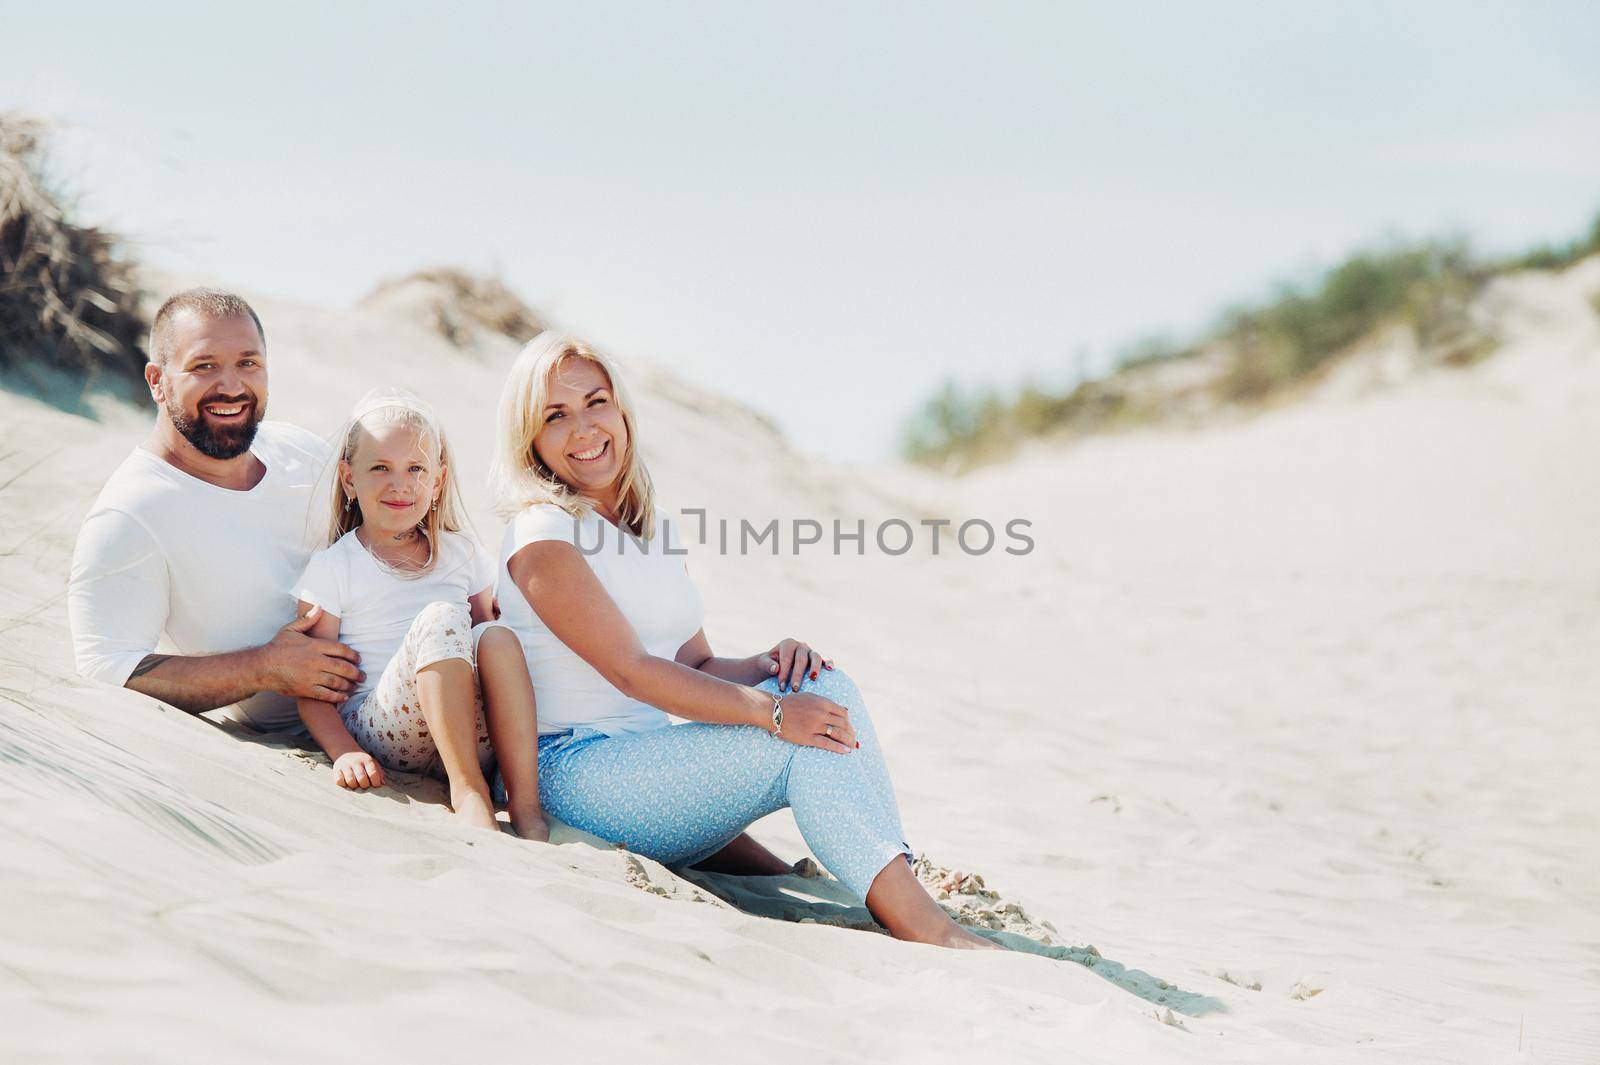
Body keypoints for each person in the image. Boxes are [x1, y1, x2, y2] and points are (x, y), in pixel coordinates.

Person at [489, 333, 998, 949]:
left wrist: (767, 668)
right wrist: (774, 713)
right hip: (575, 778)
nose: (584, 427)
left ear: (621, 410)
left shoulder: (647, 528)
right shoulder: (543, 533)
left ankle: (894, 879)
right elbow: (632, 672)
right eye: (555, 416)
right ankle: (922, 922)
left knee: (822, 685)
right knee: (796, 737)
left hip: (651, 768)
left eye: (596, 402)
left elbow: (695, 663)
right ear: (531, 439)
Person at [68, 289, 363, 731]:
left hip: (417, 676)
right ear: (157, 381)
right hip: (336, 733)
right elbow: (105, 666)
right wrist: (264, 667)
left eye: (248, 363)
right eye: (204, 366)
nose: (231, 386)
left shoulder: (301, 451)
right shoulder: (132, 512)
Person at [292, 390, 547, 839]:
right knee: (441, 617)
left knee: (496, 635)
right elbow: (311, 683)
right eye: (380, 469)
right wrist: (343, 752)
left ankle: (525, 806)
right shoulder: (334, 567)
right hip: (385, 728)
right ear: (350, 480)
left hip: (469, 728)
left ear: (437, 481)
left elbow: (486, 637)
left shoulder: (462, 552)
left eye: (415, 469)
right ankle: (469, 794)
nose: (400, 483)